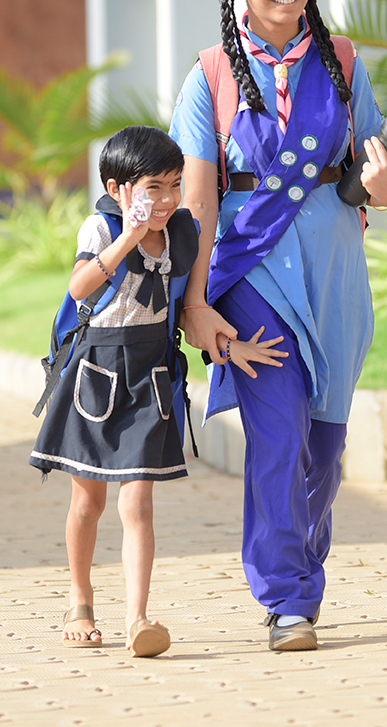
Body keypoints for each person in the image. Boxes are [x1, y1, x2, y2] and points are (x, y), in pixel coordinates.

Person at [168, 0, 387, 652]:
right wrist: (196, 304)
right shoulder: (209, 74)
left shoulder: (341, 61)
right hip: (249, 273)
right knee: (279, 433)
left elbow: (382, 188)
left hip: (335, 275)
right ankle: (288, 598)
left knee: (323, 450)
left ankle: (300, 566)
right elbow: (197, 202)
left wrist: (385, 176)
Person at [30, 126, 276, 657]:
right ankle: (80, 599)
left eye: (173, 185)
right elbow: (77, 290)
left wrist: (229, 349)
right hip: (96, 372)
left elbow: (188, 312)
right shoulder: (100, 227)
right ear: (118, 188)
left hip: (149, 374)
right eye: (152, 188)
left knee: (137, 500)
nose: (165, 199)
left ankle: (139, 618)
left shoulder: (183, 234)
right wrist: (129, 235)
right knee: (87, 500)